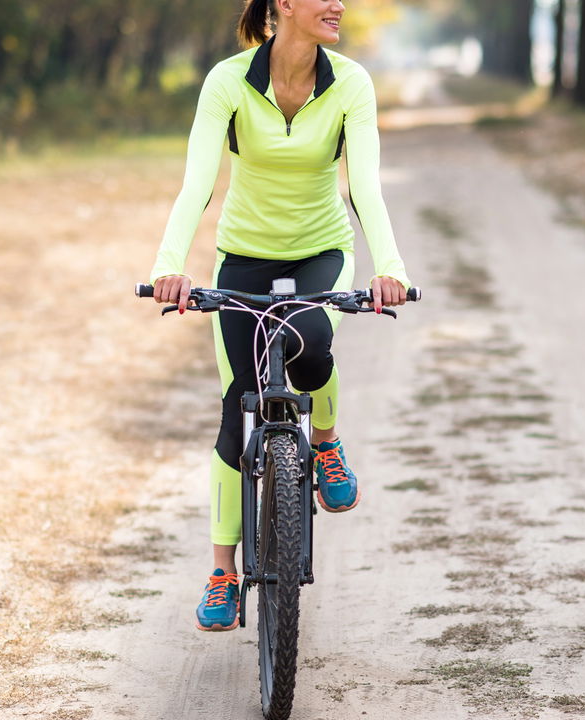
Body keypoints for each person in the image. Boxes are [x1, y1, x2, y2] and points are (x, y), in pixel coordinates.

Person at [147, 0, 410, 631]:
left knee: (311, 343)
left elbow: (364, 185)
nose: (338, 5)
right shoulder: (228, 82)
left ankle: (324, 443)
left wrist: (390, 267)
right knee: (238, 401)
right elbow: (198, 182)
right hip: (243, 259)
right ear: (283, 5)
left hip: (321, 252)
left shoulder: (350, 83)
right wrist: (169, 264)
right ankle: (222, 571)